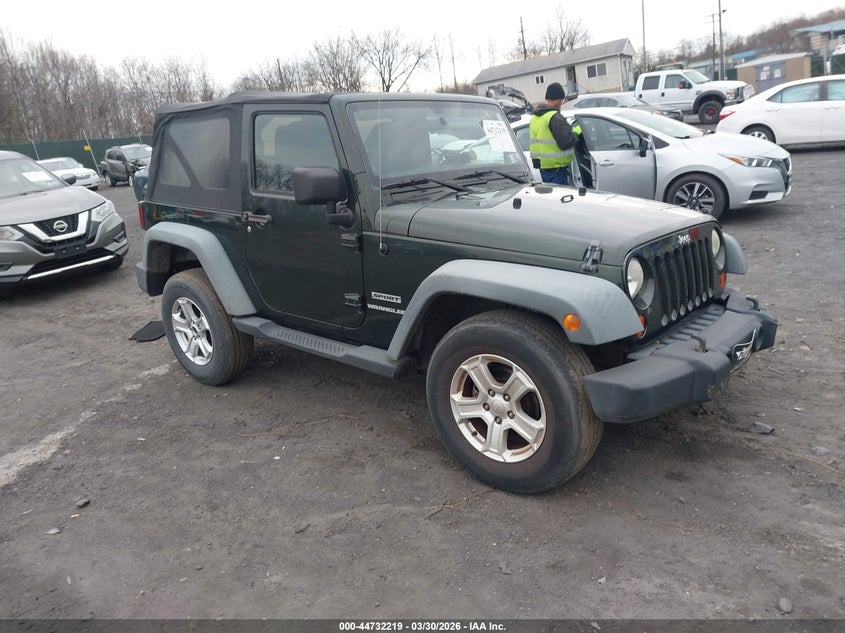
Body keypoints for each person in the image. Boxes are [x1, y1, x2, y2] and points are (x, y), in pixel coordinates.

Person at [529, 82, 581, 185]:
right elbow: (566, 142)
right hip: (556, 168)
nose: (561, 103)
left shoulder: (535, 118)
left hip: (544, 168)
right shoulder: (554, 117)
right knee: (559, 198)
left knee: (551, 198)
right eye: (561, 101)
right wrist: (576, 132)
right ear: (557, 100)